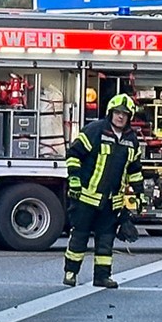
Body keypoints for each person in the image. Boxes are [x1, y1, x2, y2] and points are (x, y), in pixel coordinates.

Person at [62, 93, 143, 289]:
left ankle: (102, 277)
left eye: (124, 114)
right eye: (117, 113)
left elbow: (135, 171)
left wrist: (140, 196)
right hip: (86, 198)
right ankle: (71, 273)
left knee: (106, 241)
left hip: (111, 201)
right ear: (110, 113)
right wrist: (74, 179)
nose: (120, 117)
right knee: (79, 236)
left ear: (129, 117)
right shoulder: (95, 130)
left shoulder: (131, 140)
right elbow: (74, 154)